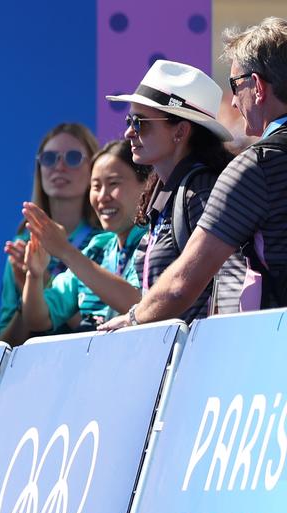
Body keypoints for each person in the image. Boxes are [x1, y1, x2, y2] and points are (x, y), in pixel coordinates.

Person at [105, 18, 287, 329]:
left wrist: (133, 319)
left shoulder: (255, 165)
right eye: (128, 122)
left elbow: (183, 284)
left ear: (256, 87)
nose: (231, 101)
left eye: (235, 85)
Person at [96, 60, 248, 329]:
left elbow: (224, 281)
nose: (129, 132)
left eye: (141, 123)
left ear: (180, 131)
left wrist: (133, 319)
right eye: (130, 120)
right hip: (176, 360)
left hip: (199, 362)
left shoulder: (200, 189)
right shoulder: (168, 190)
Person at [20, 140, 149, 332]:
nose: (103, 196)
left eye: (113, 183)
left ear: (146, 186)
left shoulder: (154, 242)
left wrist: (65, 251)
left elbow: (143, 308)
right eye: (96, 186)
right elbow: (39, 321)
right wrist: (35, 274)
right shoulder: (97, 249)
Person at [0, 123, 102, 345]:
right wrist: (26, 289)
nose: (59, 166)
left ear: (94, 167)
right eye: (49, 158)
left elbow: (101, 331)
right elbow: (7, 343)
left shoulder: (106, 240)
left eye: (73, 158)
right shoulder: (24, 244)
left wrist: (44, 282)